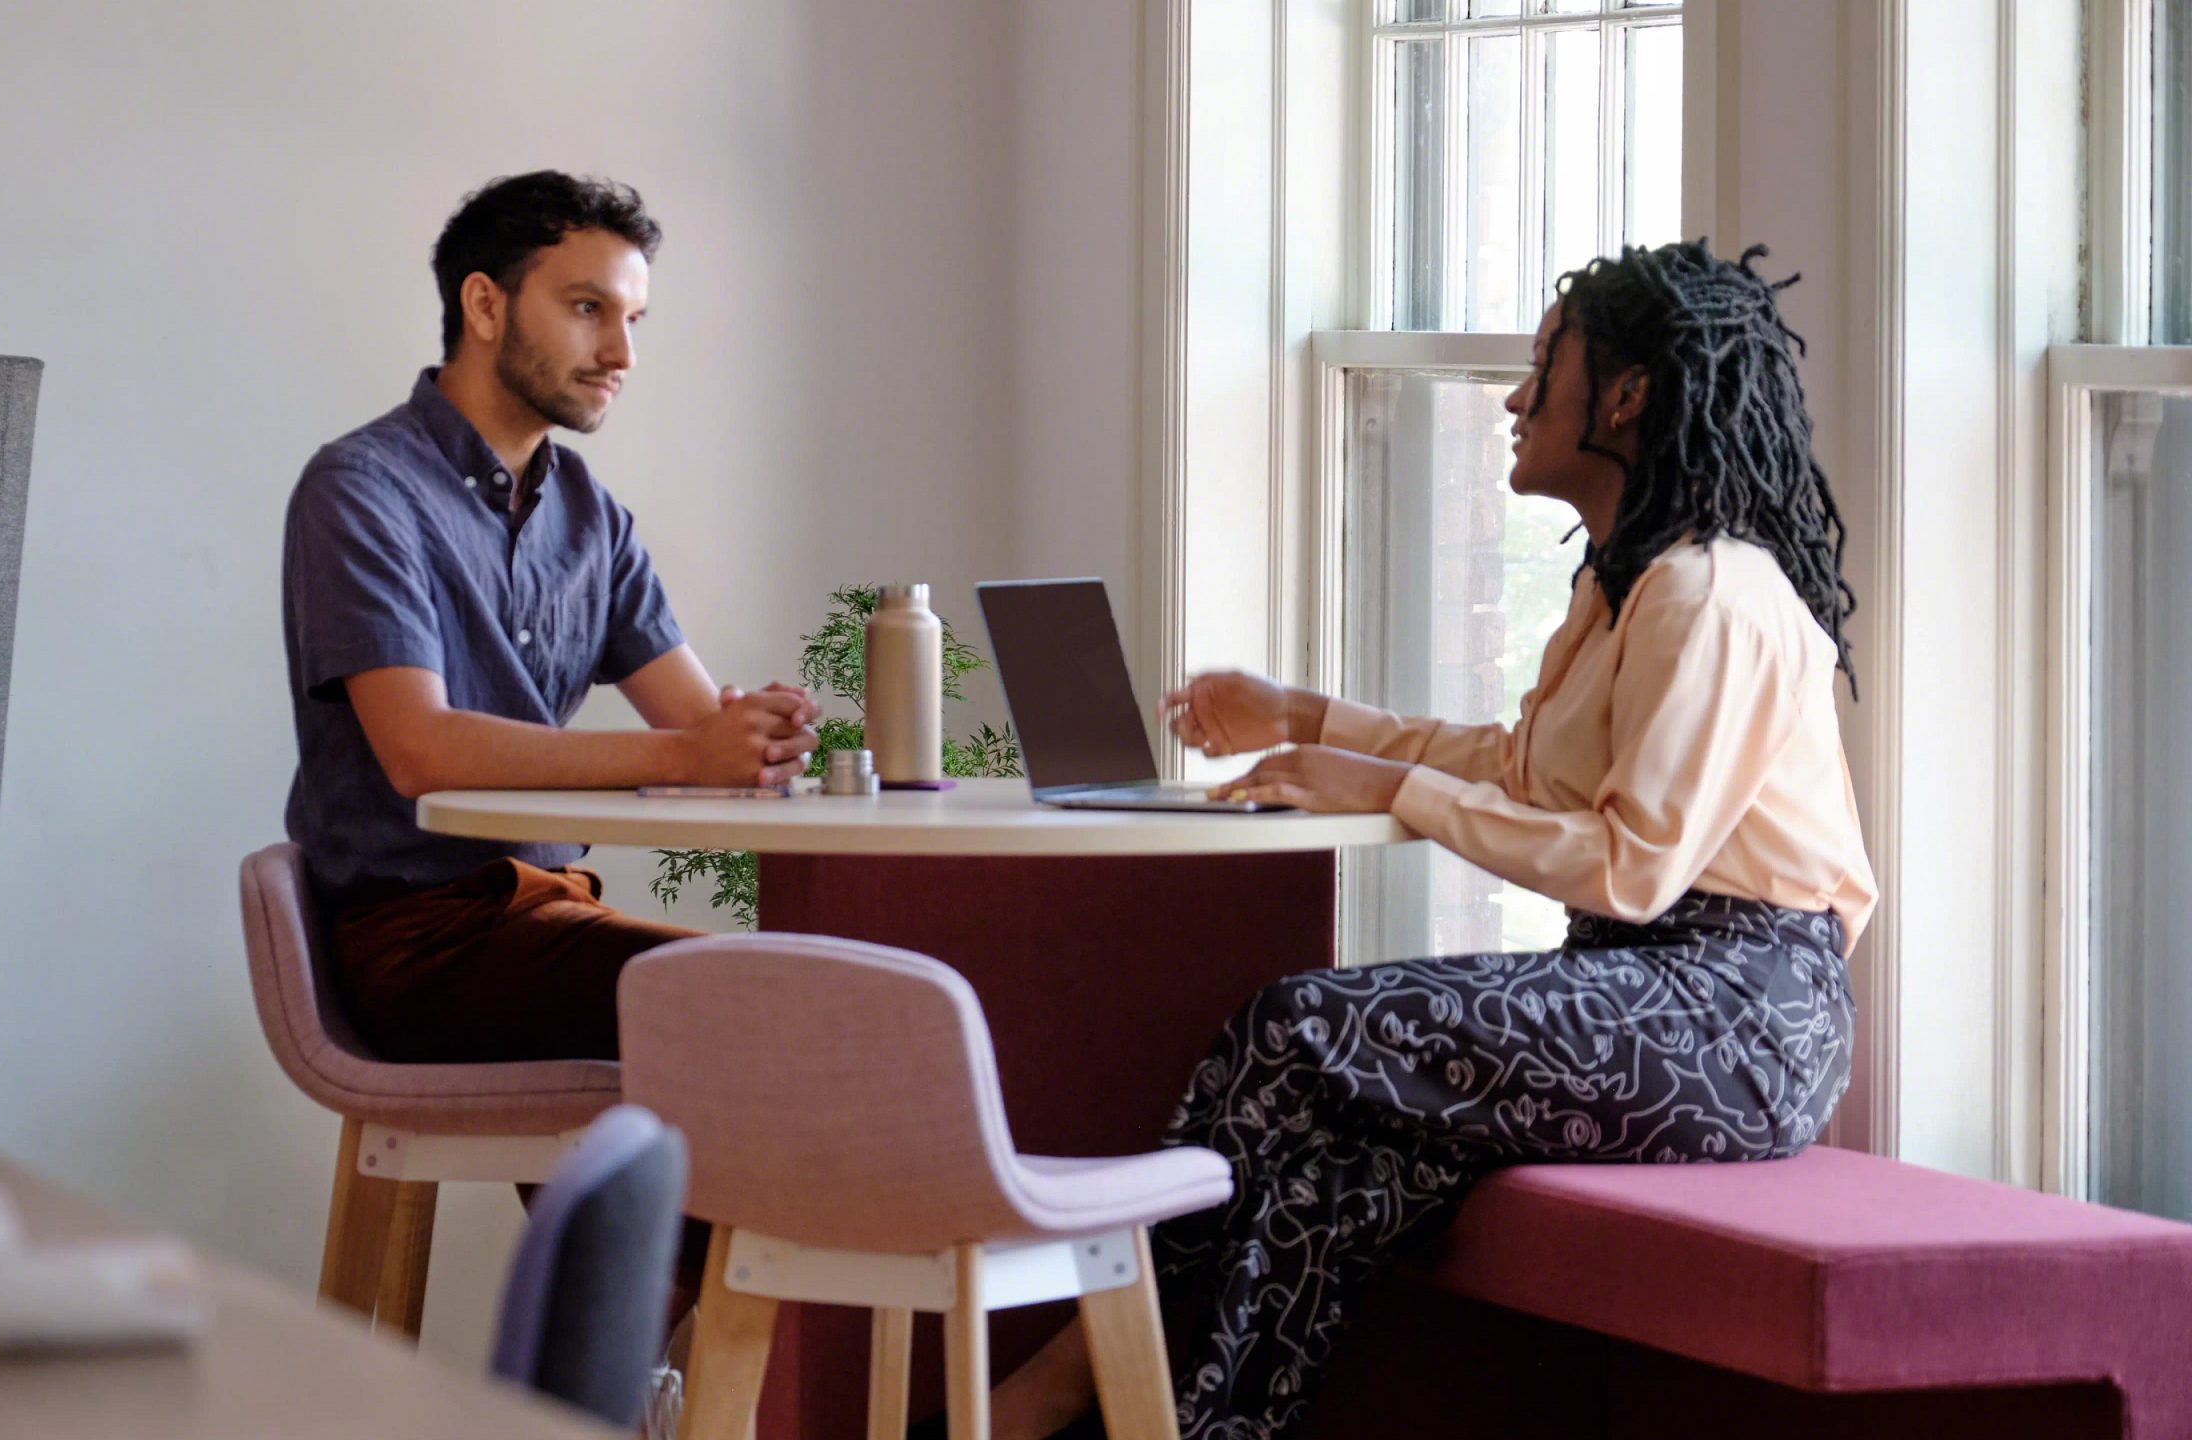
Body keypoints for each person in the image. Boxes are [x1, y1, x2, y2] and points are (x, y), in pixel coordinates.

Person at [977, 241, 1878, 1440]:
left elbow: (1631, 867)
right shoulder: (1622, 587)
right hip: (1643, 988)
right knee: (1329, 1177)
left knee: (1293, 1026)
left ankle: (1064, 1381)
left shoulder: (1712, 594)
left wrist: (1391, 791)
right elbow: (1514, 769)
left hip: (1744, 1016)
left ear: (1624, 395)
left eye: (1540, 368)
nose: (1512, 400)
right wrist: (1306, 719)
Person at [281, 171, 820, 1068]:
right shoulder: (360, 488)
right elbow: (421, 750)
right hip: (418, 944)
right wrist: (693, 755)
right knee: (765, 1005)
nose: (622, 353)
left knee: (823, 997)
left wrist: (755, 736)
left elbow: (697, 727)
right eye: (587, 309)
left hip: (554, 911)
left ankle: (608, 1212)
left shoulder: (588, 514)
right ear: (485, 306)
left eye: (634, 321)